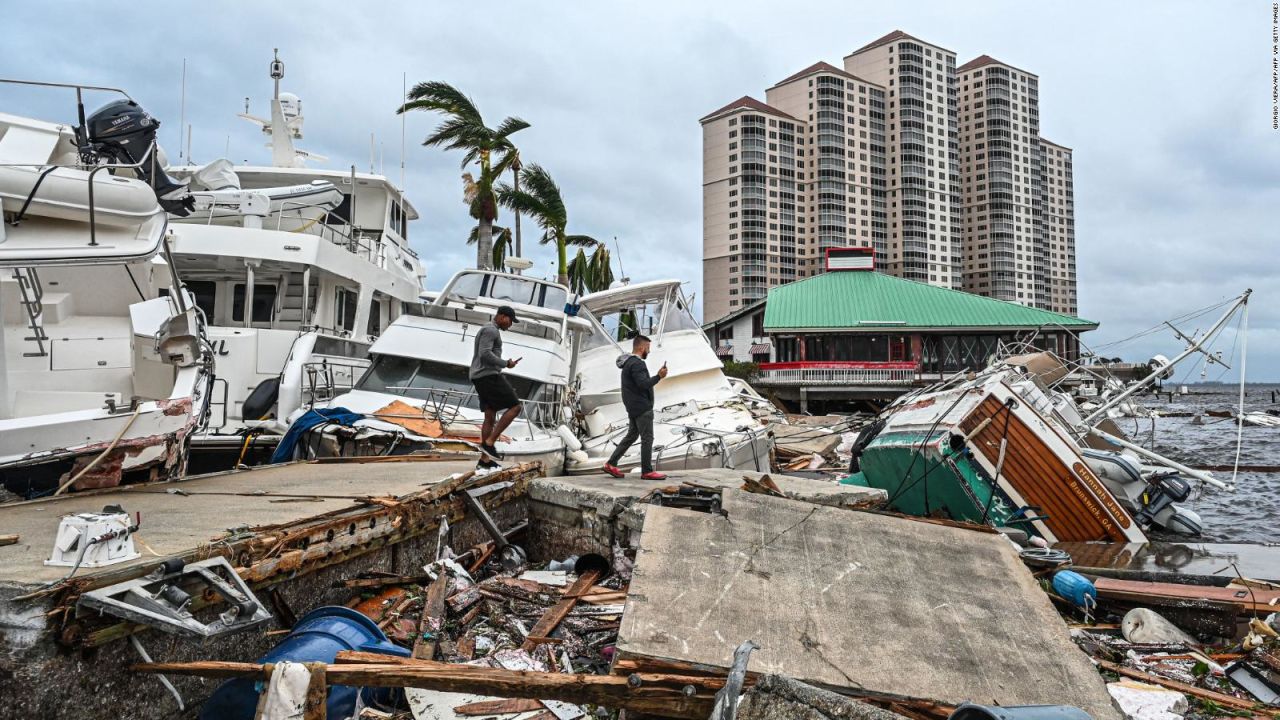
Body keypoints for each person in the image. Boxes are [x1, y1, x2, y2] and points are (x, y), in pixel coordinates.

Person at [603, 334, 669, 479]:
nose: (649, 351)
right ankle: (647, 471)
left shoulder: (628, 363)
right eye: (648, 348)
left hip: (632, 407)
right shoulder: (638, 364)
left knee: (631, 435)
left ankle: (611, 463)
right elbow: (643, 384)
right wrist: (659, 376)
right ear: (641, 347)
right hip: (642, 408)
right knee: (647, 438)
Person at [470, 306, 522, 466]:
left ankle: (484, 461)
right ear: (502, 316)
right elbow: (485, 354)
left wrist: (506, 363)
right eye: (510, 320)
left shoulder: (488, 329)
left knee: (490, 415)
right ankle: (489, 442)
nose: (510, 324)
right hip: (488, 375)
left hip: (479, 376)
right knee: (515, 407)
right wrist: (505, 363)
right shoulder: (491, 330)